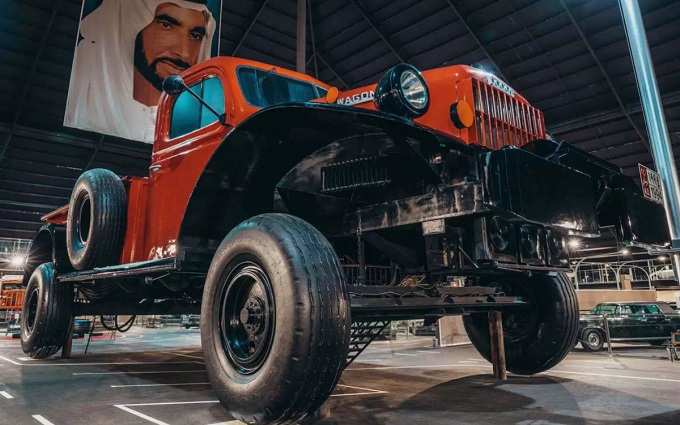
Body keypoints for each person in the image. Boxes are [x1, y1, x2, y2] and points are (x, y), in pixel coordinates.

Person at [64, 0, 217, 143]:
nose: (184, 53)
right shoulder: (90, 98)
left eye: (195, 36)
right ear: (133, 29)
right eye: (166, 25)